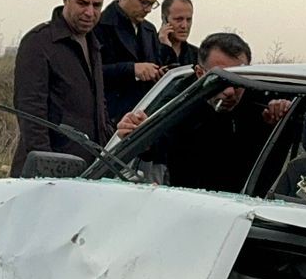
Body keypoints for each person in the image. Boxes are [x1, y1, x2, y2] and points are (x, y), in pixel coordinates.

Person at [117, 32, 291, 193]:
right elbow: (159, 139)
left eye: (238, 80)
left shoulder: (263, 95)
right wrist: (138, 133)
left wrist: (277, 119)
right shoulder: (180, 99)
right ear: (200, 74)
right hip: (190, 202)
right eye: (220, 80)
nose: (230, 91)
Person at [10, 0, 110, 177]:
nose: (90, 12)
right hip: (48, 175)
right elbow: (31, 114)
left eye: (97, 5)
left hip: (87, 171)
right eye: (82, 3)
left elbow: (97, 110)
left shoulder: (94, 45)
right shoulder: (39, 42)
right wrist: (48, 170)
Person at [94, 0, 167, 124]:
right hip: (111, 119)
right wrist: (132, 69)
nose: (147, 9)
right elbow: (91, 72)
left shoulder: (149, 30)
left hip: (143, 117)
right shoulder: (99, 25)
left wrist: (158, 72)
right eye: (144, 2)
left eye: (152, 4)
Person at [156, 0, 200, 68]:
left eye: (189, 20)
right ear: (164, 19)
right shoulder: (148, 50)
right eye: (179, 19)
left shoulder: (197, 55)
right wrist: (165, 48)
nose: (184, 26)